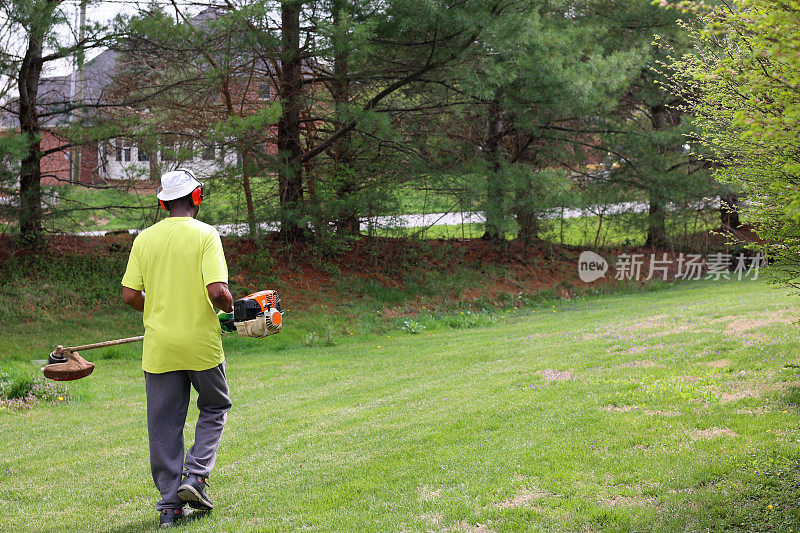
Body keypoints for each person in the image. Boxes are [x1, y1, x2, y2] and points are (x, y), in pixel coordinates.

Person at [121, 168, 234, 528]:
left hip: (159, 348)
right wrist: (233, 307)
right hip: (200, 344)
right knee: (215, 406)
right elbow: (216, 291)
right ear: (196, 198)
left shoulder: (144, 240)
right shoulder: (206, 235)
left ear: (162, 202)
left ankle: (170, 506)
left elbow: (129, 295)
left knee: (164, 425)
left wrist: (155, 309)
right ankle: (196, 477)